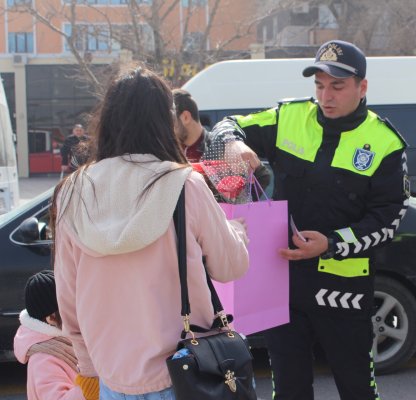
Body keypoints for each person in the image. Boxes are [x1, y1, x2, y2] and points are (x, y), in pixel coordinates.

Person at [209, 39, 409, 399]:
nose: (326, 96)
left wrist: (331, 243)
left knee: (357, 389)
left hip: (344, 292)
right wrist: (234, 145)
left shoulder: (386, 143)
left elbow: (387, 221)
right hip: (283, 285)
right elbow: (223, 127)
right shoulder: (289, 117)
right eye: (319, 85)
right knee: (289, 390)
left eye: (337, 86)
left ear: (362, 88)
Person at [51, 65, 249, 399]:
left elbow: (67, 295)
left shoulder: (73, 190)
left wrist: (88, 366)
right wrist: (237, 230)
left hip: (112, 375)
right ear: (164, 120)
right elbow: (231, 267)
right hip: (188, 371)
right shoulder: (184, 183)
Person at [13, 270, 89, 400]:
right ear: (51, 318)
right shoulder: (43, 360)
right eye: (69, 308)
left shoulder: (64, 339)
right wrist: (93, 385)